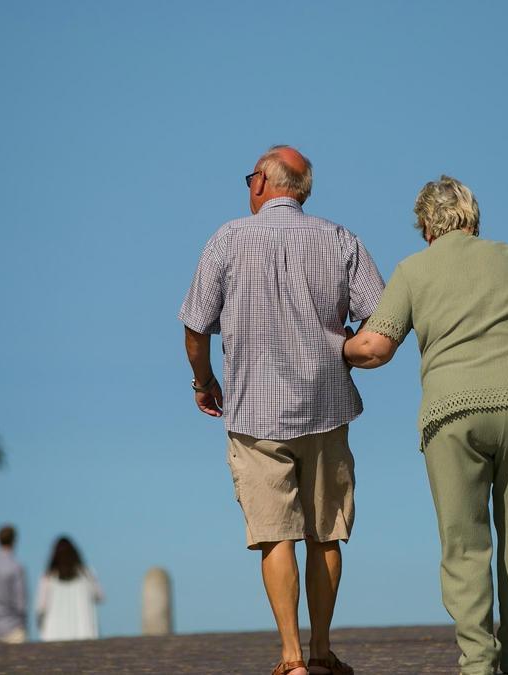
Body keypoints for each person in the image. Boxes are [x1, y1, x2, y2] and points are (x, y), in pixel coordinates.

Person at [343, 176, 508, 675]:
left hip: (452, 414)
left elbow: (376, 348)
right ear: (473, 217)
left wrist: (340, 347)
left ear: (426, 226)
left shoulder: (413, 270)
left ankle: (476, 663)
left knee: (464, 544)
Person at [178, 145, 384, 675]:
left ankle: (291, 658)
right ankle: (320, 650)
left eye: (249, 177)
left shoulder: (227, 238)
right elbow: (382, 320)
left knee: (275, 535)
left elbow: (195, 325)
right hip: (326, 406)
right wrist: (345, 352)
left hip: (253, 414)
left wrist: (204, 383)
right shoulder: (341, 240)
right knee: (326, 533)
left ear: (263, 184)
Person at [34, 536, 103, 641]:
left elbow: (41, 607)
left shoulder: (48, 577)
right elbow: (99, 596)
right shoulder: (86, 574)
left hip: (54, 634)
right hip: (84, 632)